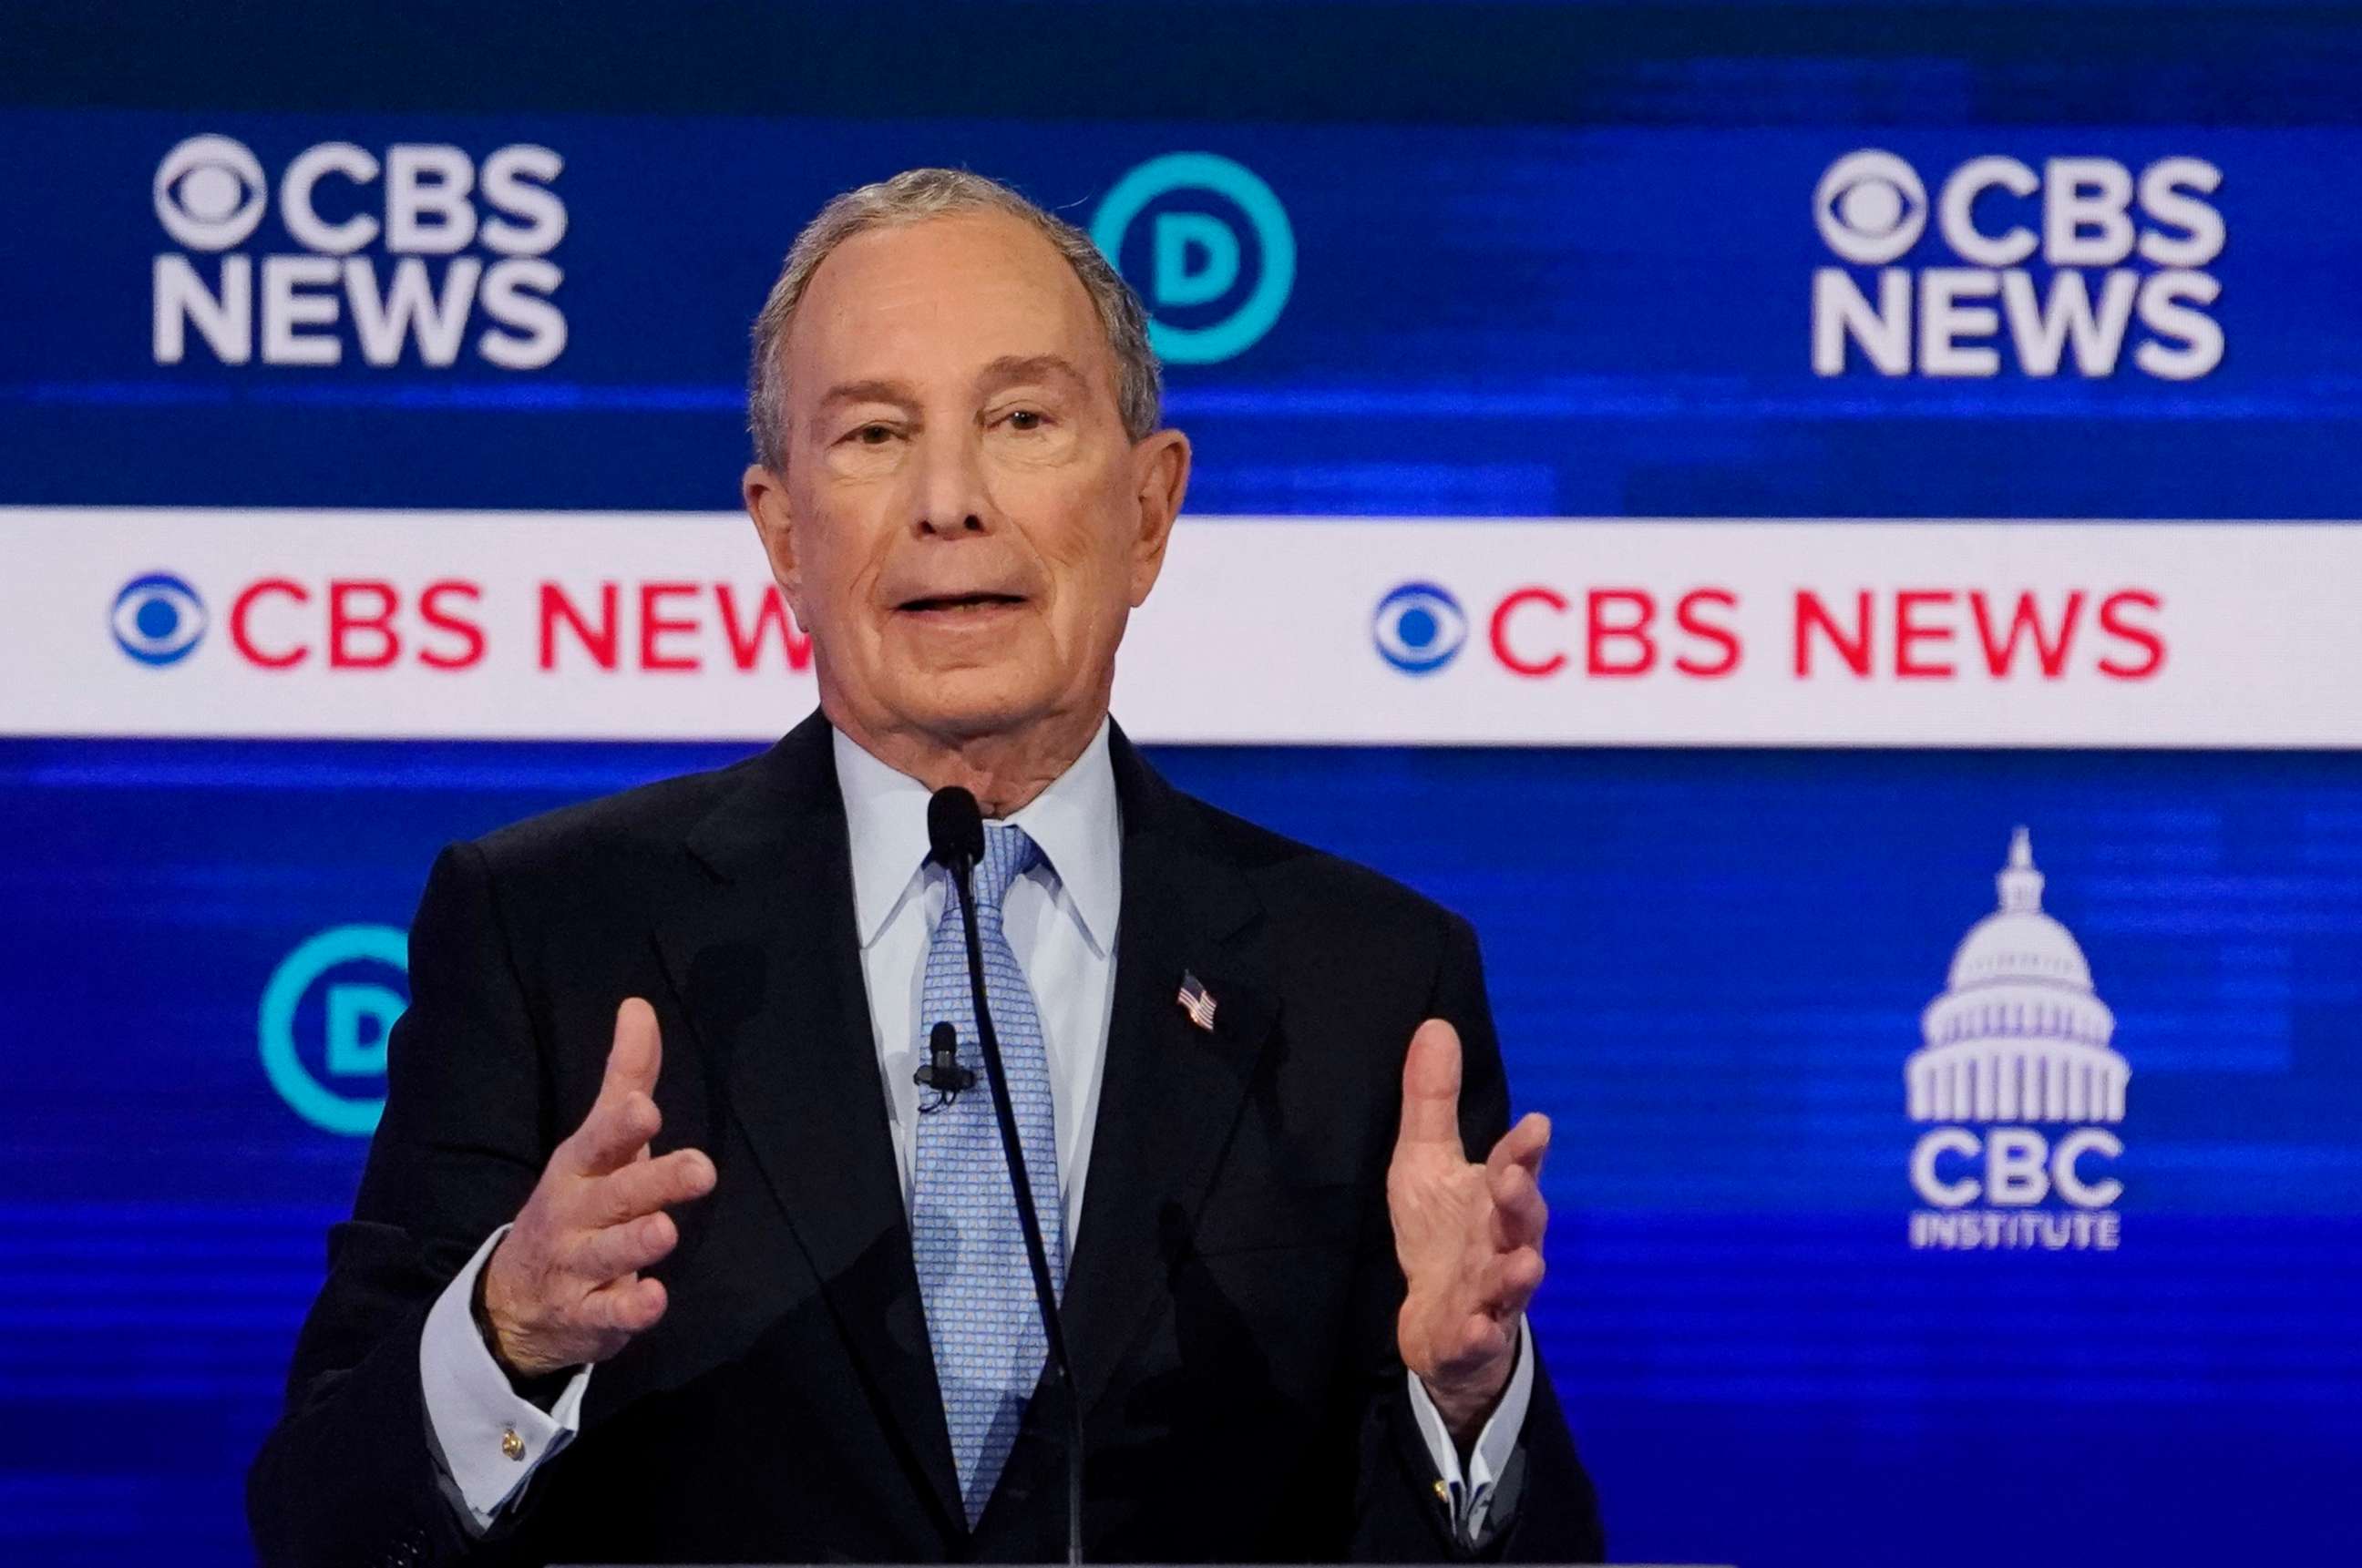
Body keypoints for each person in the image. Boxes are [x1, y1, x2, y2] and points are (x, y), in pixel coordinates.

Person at [247, 168, 1606, 1567]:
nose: (950, 499)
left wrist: (1465, 1402)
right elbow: (320, 1527)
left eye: (1020, 419)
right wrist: (508, 1334)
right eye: (877, 433)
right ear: (781, 532)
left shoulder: (1369, 982)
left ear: (1149, 508)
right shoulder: (553, 934)